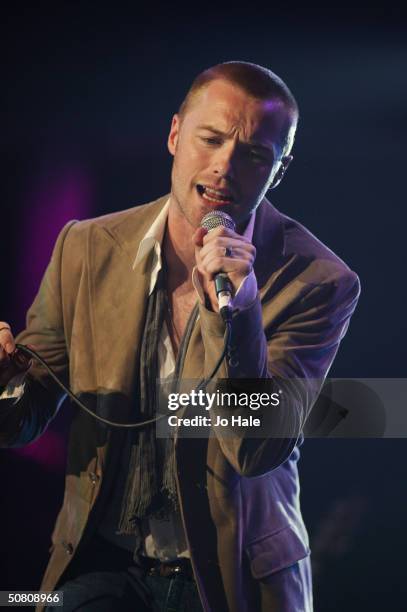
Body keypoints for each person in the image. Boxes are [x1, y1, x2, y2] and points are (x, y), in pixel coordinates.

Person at [0, 61, 360, 611]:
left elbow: (257, 449)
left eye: (255, 155)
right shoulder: (85, 247)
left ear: (278, 171)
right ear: (175, 135)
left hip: (231, 578)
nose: (225, 167)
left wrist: (238, 313)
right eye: (210, 140)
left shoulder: (318, 281)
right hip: (101, 564)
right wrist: (4, 381)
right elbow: (23, 418)